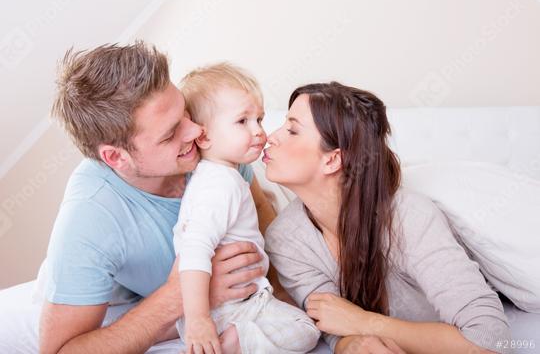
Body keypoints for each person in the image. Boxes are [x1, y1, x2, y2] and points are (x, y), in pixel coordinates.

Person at [37, 42, 276, 353]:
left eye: (185, 112)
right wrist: (183, 296)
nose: (194, 132)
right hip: (121, 298)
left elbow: (260, 210)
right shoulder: (90, 218)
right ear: (116, 157)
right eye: (169, 133)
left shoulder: (211, 147)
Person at [263, 82, 512, 354]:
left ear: (333, 160)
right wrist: (353, 346)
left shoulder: (409, 218)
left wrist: (365, 322)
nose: (271, 136)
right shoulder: (285, 238)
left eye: (292, 130)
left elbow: (492, 340)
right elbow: (333, 324)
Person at [173, 63, 320, 354]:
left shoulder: (221, 176)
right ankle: (233, 344)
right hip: (228, 307)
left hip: (231, 304)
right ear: (203, 137)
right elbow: (194, 250)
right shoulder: (220, 185)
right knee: (306, 329)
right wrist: (198, 319)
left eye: (260, 119)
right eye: (242, 122)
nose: (259, 132)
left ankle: (230, 339)